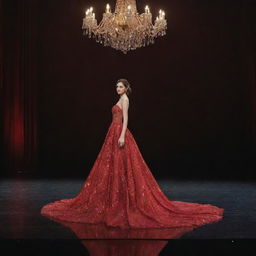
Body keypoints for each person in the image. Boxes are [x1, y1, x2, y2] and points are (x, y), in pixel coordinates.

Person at [41, 78, 224, 229]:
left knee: (124, 166)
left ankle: (123, 201)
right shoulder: (120, 99)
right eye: (116, 86)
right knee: (112, 166)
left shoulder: (125, 100)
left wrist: (121, 136)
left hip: (119, 133)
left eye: (120, 86)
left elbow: (126, 119)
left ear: (126, 88)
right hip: (112, 132)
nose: (117, 88)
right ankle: (115, 198)